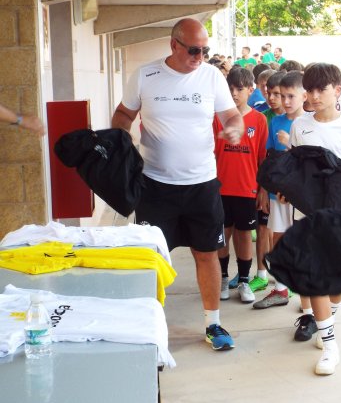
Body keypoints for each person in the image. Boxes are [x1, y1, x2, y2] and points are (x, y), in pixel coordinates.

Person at [111, 18, 244, 352]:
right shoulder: (145, 75)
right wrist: (121, 140)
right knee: (154, 257)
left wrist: (234, 127)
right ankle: (150, 326)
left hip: (202, 184)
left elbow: (231, 116)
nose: (200, 56)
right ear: (174, 45)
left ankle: (213, 324)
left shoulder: (212, 76)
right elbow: (124, 115)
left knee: (207, 253)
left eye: (205, 50)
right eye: (194, 50)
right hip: (155, 185)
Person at [289, 63, 341, 376]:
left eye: (321, 89)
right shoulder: (300, 125)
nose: (315, 95)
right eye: (310, 89)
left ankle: (328, 317)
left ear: (337, 90)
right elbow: (293, 169)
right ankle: (330, 344)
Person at [252, 70, 306, 310]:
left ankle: (308, 297)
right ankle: (281, 288)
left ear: (304, 96)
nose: (285, 101)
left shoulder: (310, 123)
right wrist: (264, 189)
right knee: (277, 238)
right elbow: (268, 159)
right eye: (282, 96)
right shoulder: (276, 121)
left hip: (303, 197)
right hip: (278, 194)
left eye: (290, 96)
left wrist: (291, 145)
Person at [215, 68, 268, 304]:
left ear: (250, 90)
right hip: (219, 188)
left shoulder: (259, 120)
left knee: (245, 235)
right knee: (222, 236)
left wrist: (263, 189)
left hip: (247, 188)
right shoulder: (217, 118)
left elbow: (262, 159)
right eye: (231, 89)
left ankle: (245, 280)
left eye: (239, 89)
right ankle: (224, 278)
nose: (234, 93)